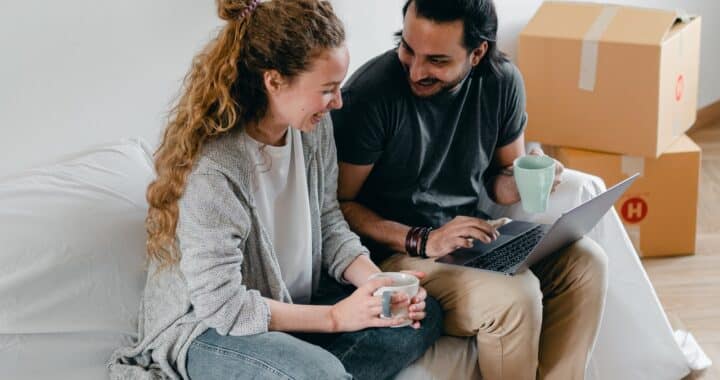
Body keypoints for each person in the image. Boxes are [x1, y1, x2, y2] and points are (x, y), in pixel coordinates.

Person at [108, 1, 443, 379]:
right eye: (328, 90)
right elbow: (223, 307)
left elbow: (329, 222)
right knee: (323, 373)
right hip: (208, 330)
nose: (339, 102)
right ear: (274, 81)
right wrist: (336, 318)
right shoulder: (215, 170)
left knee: (420, 314)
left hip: (289, 310)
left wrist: (377, 284)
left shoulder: (313, 131)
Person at [331, 0, 608, 379]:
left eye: (437, 60)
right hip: (395, 255)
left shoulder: (502, 82)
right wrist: (423, 240)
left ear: (477, 52)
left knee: (587, 263)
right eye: (407, 47)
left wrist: (529, 177)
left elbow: (500, 183)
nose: (415, 70)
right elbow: (338, 205)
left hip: (468, 243)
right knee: (517, 297)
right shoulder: (372, 94)